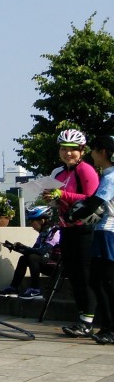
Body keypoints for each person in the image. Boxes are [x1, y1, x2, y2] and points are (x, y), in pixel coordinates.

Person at [43, 129, 100, 337]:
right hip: (66, 229)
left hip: (85, 229)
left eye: (73, 150)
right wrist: (50, 198)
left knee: (85, 276)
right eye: (64, 149)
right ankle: (82, 317)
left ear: (82, 151)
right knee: (74, 276)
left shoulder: (86, 170)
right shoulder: (58, 173)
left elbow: (91, 198)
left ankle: (87, 321)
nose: (68, 153)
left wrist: (63, 193)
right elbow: (60, 201)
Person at [78, 135, 114, 344]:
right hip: (103, 231)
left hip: (108, 232)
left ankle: (110, 327)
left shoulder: (110, 177)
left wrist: (76, 212)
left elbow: (95, 204)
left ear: (102, 152)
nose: (91, 154)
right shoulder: (107, 175)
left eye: (93, 150)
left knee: (106, 282)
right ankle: (107, 326)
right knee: (98, 281)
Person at [0, 206, 61, 300]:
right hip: (50, 264)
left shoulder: (54, 231)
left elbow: (41, 252)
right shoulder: (43, 233)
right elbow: (33, 250)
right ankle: (13, 288)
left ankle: (36, 290)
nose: (30, 224)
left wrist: (24, 247)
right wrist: (15, 247)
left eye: (32, 221)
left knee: (32, 257)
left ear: (42, 221)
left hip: (61, 267)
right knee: (24, 259)